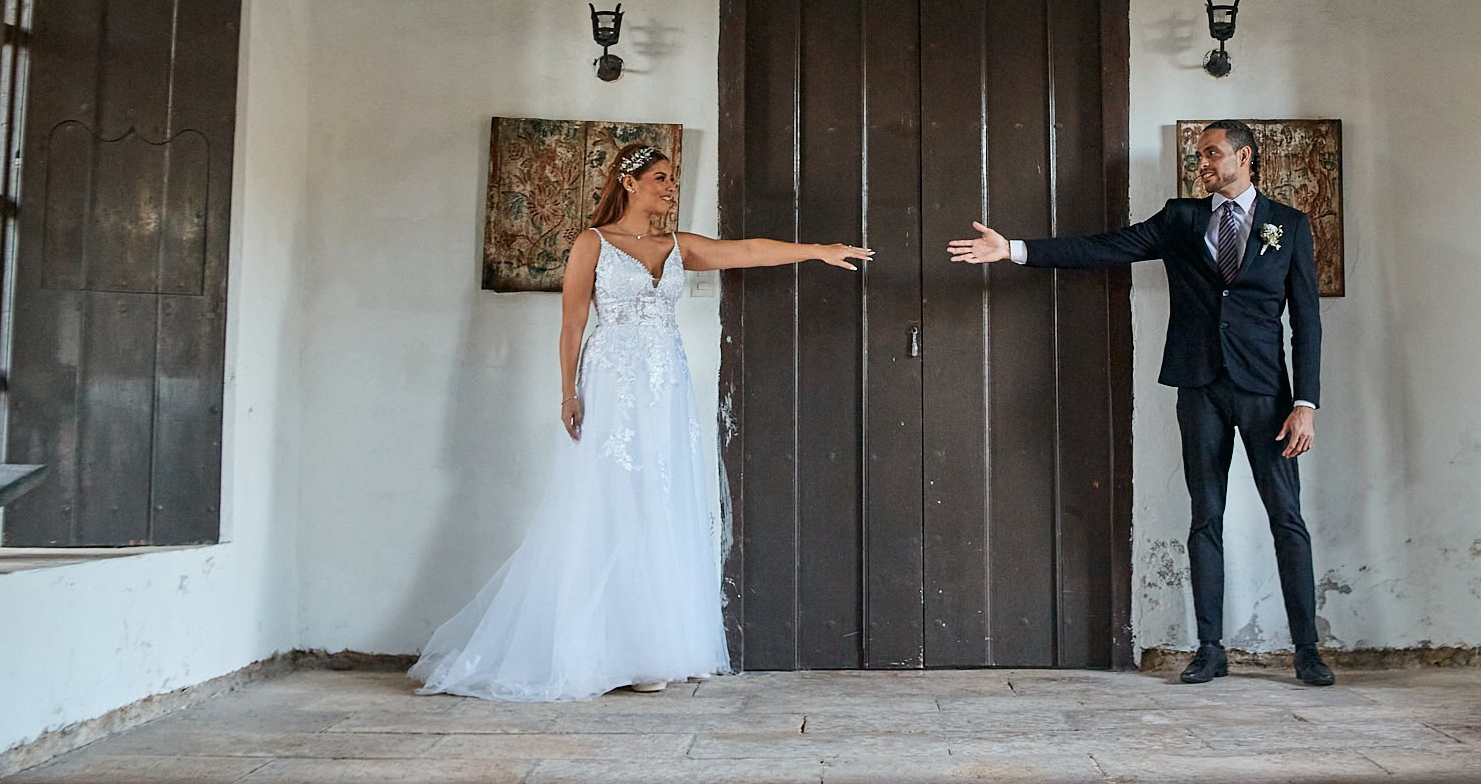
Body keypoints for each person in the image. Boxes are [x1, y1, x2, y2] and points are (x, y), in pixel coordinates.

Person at [412, 145, 871, 700]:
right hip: (611, 383)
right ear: (629, 183)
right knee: (608, 499)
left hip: (666, 385)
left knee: (662, 497)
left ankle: (659, 645)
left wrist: (817, 250)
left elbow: (745, 250)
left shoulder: (676, 246)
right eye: (660, 178)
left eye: (672, 179)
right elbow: (572, 323)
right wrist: (567, 393)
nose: (670, 187)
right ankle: (601, 647)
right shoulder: (593, 243)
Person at [949, 120, 1332, 687]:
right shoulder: (1182, 219)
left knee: (1287, 518)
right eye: (1200, 155)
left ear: (1244, 156)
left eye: (1211, 154)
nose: (1202, 163)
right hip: (1198, 385)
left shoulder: (1290, 226)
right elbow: (1107, 247)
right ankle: (1209, 648)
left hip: (1266, 393)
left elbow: (1306, 320)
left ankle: (1307, 650)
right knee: (1205, 517)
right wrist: (1015, 250)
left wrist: (1306, 401)